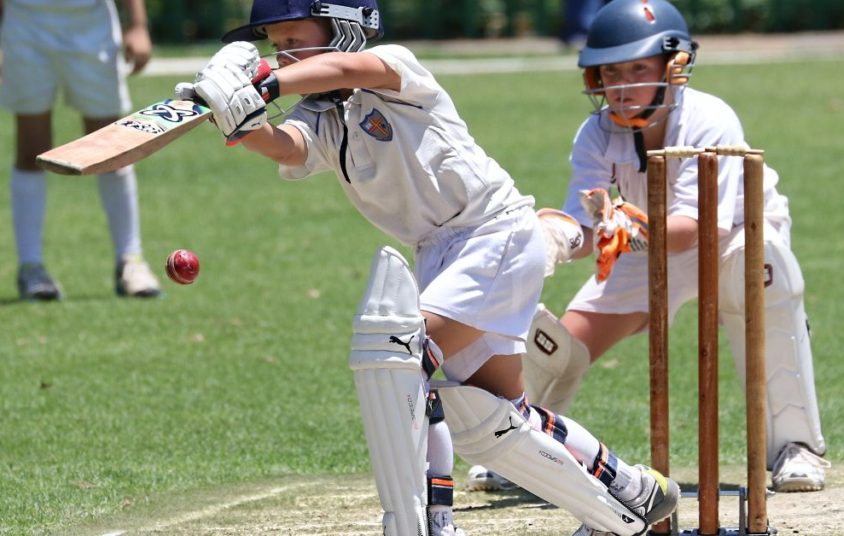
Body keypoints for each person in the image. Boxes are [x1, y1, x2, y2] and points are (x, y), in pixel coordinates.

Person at [175, 1, 680, 534]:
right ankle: (632, 492)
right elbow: (285, 146)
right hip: (442, 252)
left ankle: (433, 521)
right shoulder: (322, 117)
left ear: (344, 28)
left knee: (400, 360)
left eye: (294, 39)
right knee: (496, 419)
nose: (283, 54)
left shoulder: (394, 66)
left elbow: (344, 70)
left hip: (493, 232)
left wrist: (263, 82)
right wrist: (234, 117)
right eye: (275, 46)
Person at [468, 0, 829, 495]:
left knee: (762, 272)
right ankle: (520, 451)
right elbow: (586, 225)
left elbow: (694, 229)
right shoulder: (595, 133)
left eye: (639, 68)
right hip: (644, 243)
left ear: (674, 67)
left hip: (732, 233)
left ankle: (797, 448)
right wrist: (547, 240)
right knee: (557, 346)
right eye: (612, 71)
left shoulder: (708, 118)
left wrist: (617, 231)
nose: (622, 85)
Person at [0, 0, 162, 300]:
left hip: (92, 22)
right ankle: (31, 267)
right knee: (31, 149)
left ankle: (131, 260)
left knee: (111, 148)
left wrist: (138, 25)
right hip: (26, 22)